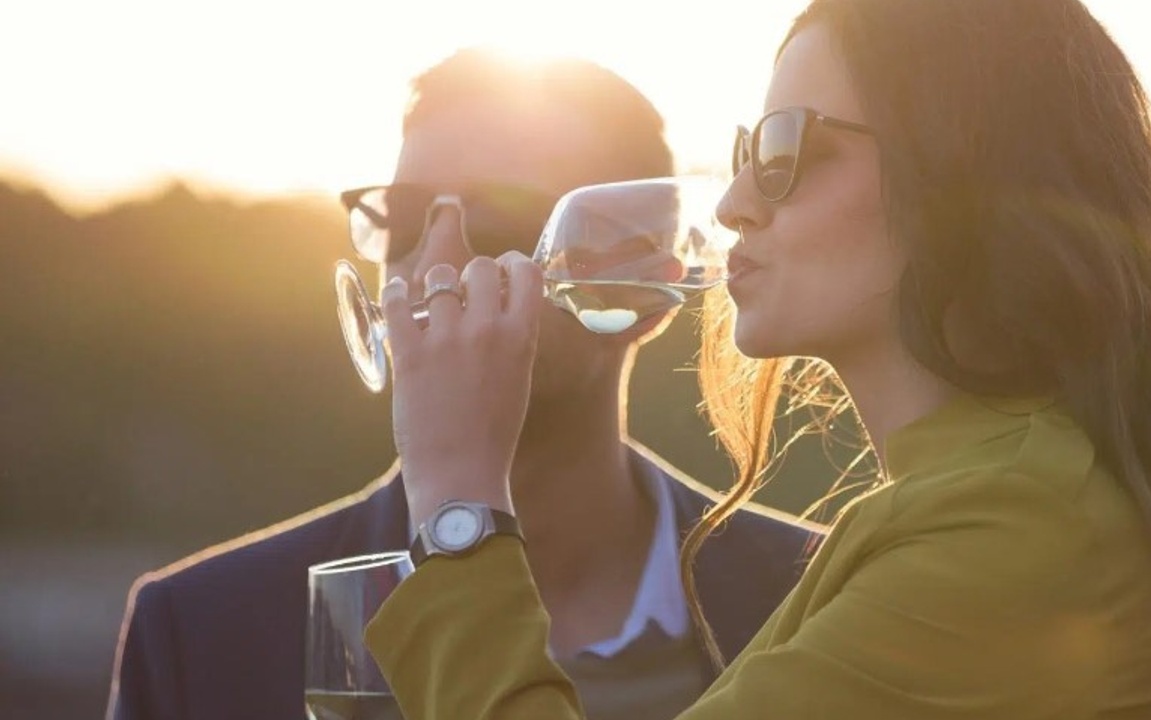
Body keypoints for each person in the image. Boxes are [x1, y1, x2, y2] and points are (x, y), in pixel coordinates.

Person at [360, 1, 1151, 719]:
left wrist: (456, 499)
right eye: (744, 152)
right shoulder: (989, 498)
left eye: (785, 149)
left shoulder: (1015, 533)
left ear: (960, 178)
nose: (733, 204)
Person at [107, 48, 819, 720]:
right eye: (405, 217)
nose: (432, 268)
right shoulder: (204, 630)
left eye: (501, 219)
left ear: (649, 288)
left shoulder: (816, 594)